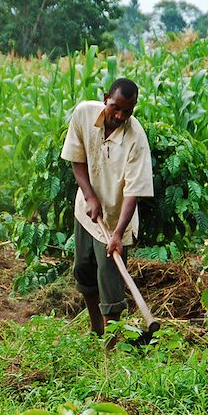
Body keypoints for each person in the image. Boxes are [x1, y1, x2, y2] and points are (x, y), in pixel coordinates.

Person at [60, 78, 154, 336]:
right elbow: (77, 160)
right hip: (87, 212)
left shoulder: (136, 139)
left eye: (128, 110)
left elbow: (133, 192)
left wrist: (116, 234)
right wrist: (90, 196)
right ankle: (96, 330)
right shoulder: (83, 114)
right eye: (116, 107)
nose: (120, 115)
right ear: (105, 99)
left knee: (110, 284)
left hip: (116, 220)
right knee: (84, 271)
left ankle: (111, 346)